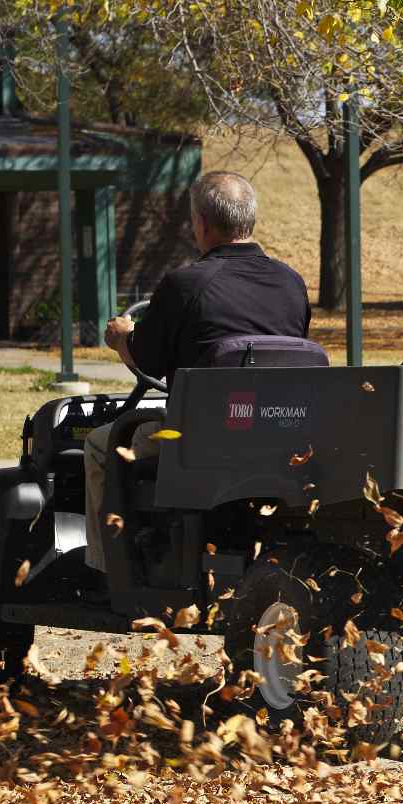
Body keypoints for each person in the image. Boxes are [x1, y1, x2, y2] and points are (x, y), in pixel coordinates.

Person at [84, 170, 310, 569]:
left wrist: (121, 336)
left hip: (202, 436)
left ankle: (109, 569)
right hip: (280, 434)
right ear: (250, 219)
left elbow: (148, 359)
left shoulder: (185, 285)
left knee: (101, 444)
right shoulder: (292, 284)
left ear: (201, 224)